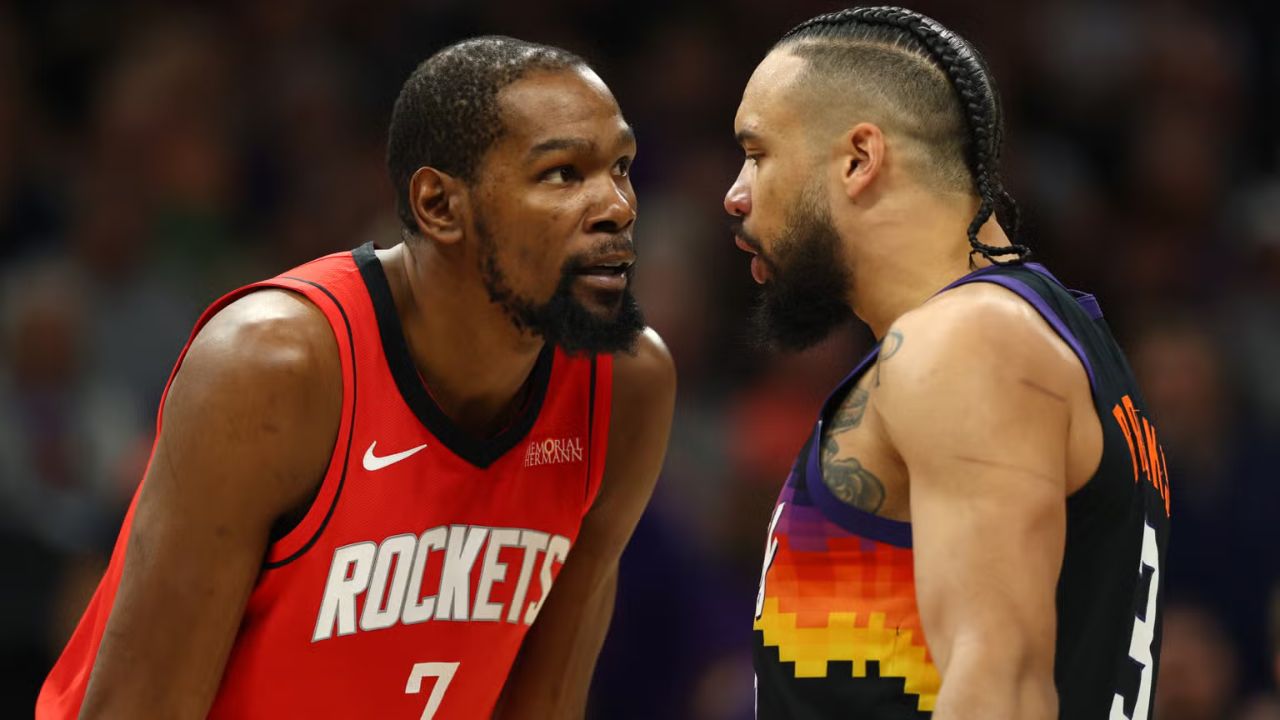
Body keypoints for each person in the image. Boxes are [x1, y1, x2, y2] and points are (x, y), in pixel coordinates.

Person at [37, 35, 675, 719]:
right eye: (563, 174)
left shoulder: (626, 388)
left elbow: (548, 704)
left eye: (621, 166)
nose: (618, 205)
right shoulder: (271, 368)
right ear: (439, 205)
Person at [726, 7, 1169, 719]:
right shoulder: (1030, 333)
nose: (736, 194)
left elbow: (1002, 690)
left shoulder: (967, 341)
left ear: (859, 159)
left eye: (757, 153)